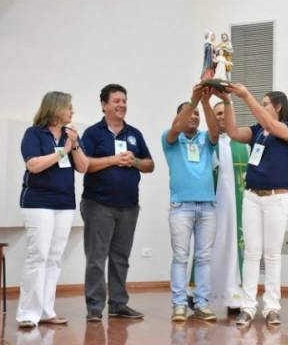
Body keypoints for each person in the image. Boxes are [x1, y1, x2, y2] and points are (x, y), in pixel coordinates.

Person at [214, 85, 288, 327]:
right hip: (252, 197)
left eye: (266, 104)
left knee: (271, 255)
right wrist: (228, 101)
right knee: (251, 253)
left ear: (278, 107)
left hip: (276, 198)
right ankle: (248, 307)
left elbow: (272, 126)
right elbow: (232, 132)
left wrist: (245, 95)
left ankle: (272, 307)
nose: (262, 107)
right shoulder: (257, 131)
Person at [80, 84, 154, 322]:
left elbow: (150, 165)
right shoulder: (93, 133)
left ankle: (118, 304)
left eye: (124, 101)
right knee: (96, 256)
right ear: (103, 105)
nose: (121, 105)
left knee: (121, 257)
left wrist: (134, 162)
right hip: (98, 204)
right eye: (116, 101)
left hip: (129, 205)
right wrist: (113, 159)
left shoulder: (134, 133)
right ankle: (94, 307)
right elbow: (85, 165)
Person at [17, 91, 89, 329]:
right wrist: (62, 151)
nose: (72, 111)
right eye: (69, 107)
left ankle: (47, 310)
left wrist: (75, 144)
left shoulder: (70, 135)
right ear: (56, 108)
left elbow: (83, 166)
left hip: (64, 203)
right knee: (38, 255)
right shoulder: (34, 134)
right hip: (38, 202)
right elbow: (33, 165)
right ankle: (28, 312)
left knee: (54, 258)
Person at [162, 85, 219, 322]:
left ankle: (202, 303)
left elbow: (216, 132)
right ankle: (179, 304)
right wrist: (192, 102)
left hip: (207, 206)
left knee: (204, 257)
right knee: (181, 257)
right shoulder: (170, 139)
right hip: (181, 207)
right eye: (189, 113)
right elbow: (177, 127)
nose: (194, 116)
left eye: (196, 114)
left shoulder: (206, 139)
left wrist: (205, 103)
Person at [210, 101, 248, 312]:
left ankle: (234, 296)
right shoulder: (208, 142)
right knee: (210, 247)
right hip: (213, 207)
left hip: (238, 208)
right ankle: (201, 296)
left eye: (224, 113)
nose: (221, 117)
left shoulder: (244, 145)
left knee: (235, 248)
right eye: (217, 114)